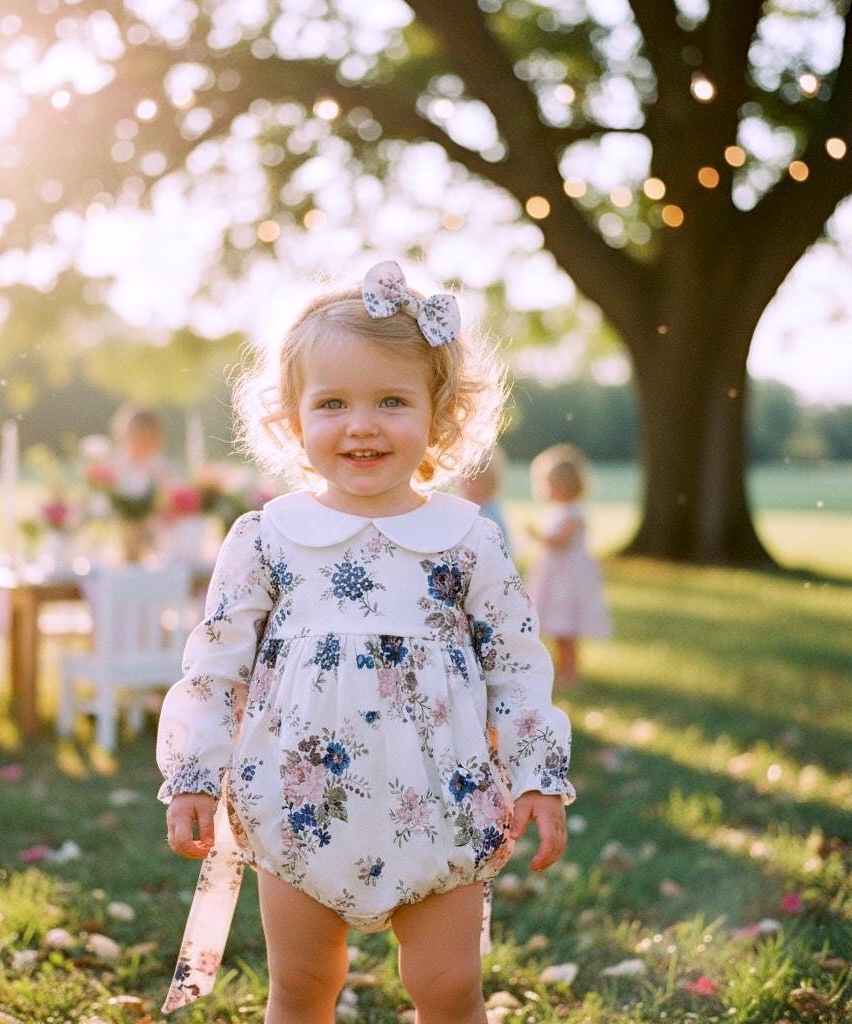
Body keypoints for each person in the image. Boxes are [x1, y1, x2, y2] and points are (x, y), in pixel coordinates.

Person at [157, 261, 575, 1024]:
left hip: (440, 800)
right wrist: (194, 772)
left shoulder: (467, 541)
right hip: (297, 798)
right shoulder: (267, 538)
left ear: (438, 415)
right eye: (333, 402)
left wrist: (537, 774)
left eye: (392, 400)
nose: (362, 424)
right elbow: (216, 665)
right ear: (292, 418)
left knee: (448, 987)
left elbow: (516, 667)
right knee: (304, 985)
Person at [525, 443, 611, 687]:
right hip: (554, 577)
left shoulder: (573, 513)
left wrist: (537, 535)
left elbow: (561, 542)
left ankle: (570, 674)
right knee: (554, 628)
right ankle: (557, 671)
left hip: (566, 581)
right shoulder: (557, 511)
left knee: (565, 629)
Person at [457, 448, 512, 552]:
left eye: (476, 481)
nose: (469, 486)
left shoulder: (490, 513)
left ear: (491, 484)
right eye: (467, 479)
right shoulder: (459, 506)